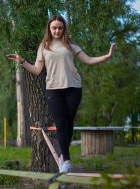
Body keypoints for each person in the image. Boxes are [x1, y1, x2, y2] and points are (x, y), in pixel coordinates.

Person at [7, 14, 116, 173]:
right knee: (60, 123)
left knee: (69, 122)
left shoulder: (70, 45)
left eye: (60, 28)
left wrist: (108, 55)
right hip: (53, 90)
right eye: (54, 28)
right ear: (49, 29)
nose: (57, 30)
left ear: (63, 29)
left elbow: (89, 60)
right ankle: (66, 160)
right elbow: (37, 71)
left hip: (73, 88)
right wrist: (22, 61)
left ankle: (64, 153)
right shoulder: (44, 46)